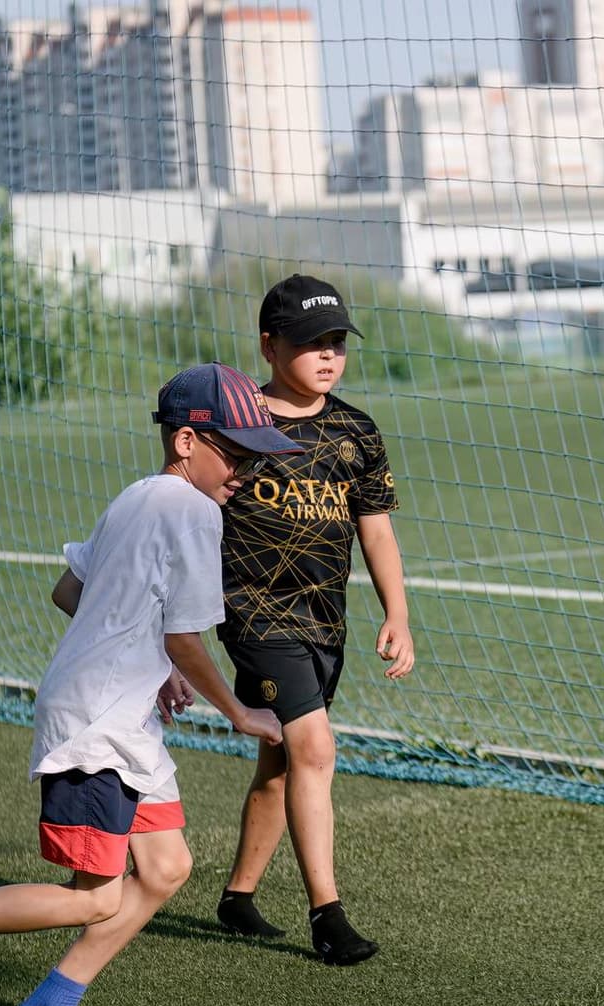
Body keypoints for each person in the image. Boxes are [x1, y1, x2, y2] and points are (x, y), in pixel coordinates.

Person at [0, 363, 302, 1006]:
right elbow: (183, 636)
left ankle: (52, 1003)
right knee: (95, 894)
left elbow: (70, 592)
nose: (244, 470)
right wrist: (239, 712)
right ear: (186, 442)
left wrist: (143, 662)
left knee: (167, 867)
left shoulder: (137, 496)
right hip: (97, 724)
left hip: (117, 715)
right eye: (235, 452)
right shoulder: (194, 511)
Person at [211, 274, 415, 965]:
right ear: (269, 347)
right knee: (316, 751)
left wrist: (400, 613)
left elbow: (377, 531)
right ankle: (328, 916)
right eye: (310, 344)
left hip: (325, 619)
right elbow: (190, 510)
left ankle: (237, 898)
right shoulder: (234, 426)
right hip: (254, 615)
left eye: (337, 344)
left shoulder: (356, 430)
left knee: (280, 758)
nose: (328, 356)